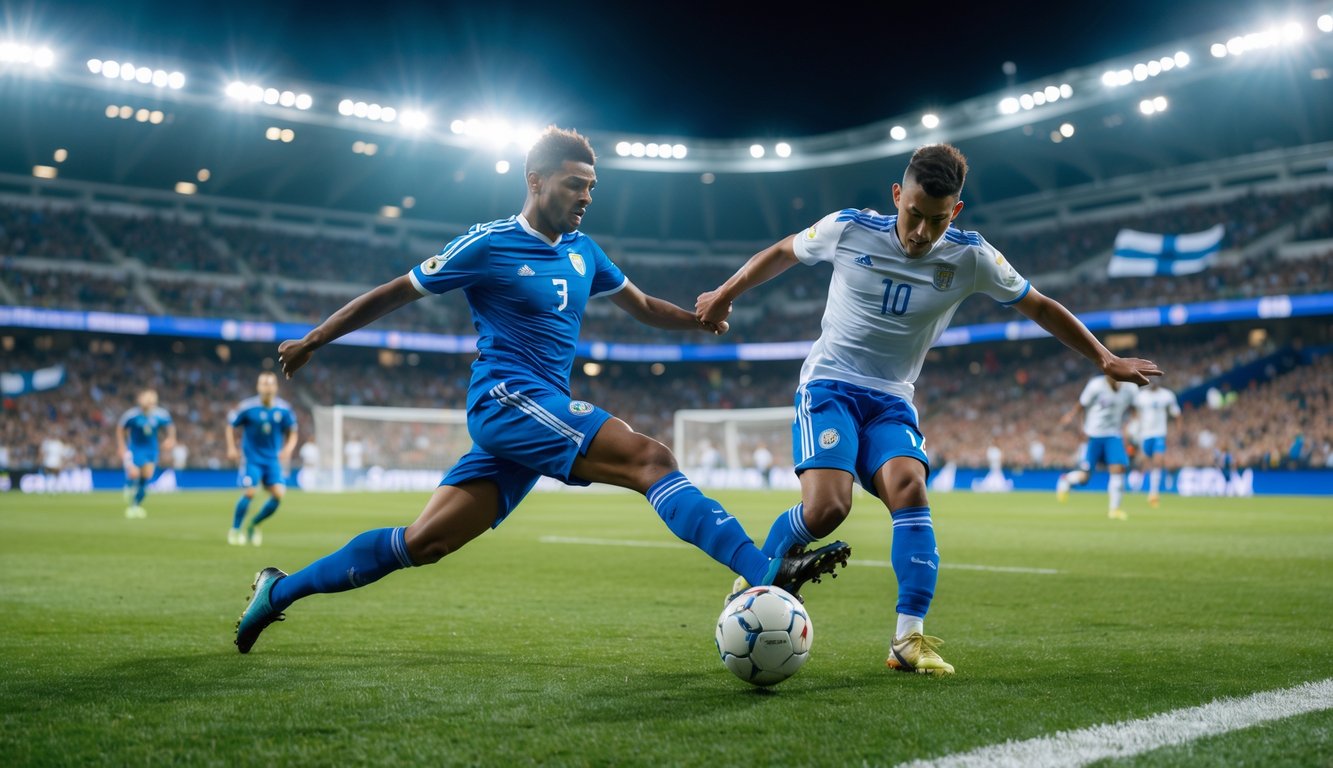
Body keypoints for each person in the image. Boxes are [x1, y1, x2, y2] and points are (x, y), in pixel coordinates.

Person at [235, 126, 850, 654]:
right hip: (506, 399)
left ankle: (277, 589)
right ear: (536, 181)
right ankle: (763, 568)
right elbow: (395, 291)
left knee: (424, 543)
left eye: (591, 187)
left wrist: (700, 315)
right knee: (651, 459)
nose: (586, 197)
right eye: (574, 184)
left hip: (535, 414)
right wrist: (315, 337)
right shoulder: (488, 243)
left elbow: (639, 306)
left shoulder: (585, 252)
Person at [695, 143, 1160, 675]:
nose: (921, 232)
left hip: (893, 398)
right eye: (914, 214)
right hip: (830, 386)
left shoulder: (971, 255)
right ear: (897, 195)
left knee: (911, 488)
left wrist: (1104, 357)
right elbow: (781, 252)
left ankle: (907, 641)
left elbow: (1040, 305)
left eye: (936, 221)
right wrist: (726, 294)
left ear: (955, 212)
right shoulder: (849, 228)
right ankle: (758, 573)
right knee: (828, 509)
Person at [226, 372, 298, 546]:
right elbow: (230, 425)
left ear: (276, 387)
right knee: (250, 492)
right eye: (264, 384)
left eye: (270, 384)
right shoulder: (247, 407)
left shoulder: (283, 409)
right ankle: (235, 530)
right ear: (258, 387)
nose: (267, 387)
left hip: (272, 460)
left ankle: (253, 525)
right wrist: (231, 448)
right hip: (252, 459)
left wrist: (288, 449)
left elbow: (293, 432)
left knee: (279, 494)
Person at [1055, 374, 1139, 519]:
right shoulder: (1095, 385)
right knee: (1085, 477)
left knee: (1118, 468)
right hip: (1094, 434)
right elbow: (1082, 405)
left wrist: (1134, 424)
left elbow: (1135, 408)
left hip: (1113, 434)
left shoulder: (1130, 389)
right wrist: (1072, 417)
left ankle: (1114, 509)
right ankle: (1066, 480)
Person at [116, 389, 175, 519]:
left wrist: (170, 439)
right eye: (148, 399)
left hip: (151, 450)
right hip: (135, 448)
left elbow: (170, 426)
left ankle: (135, 505)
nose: (150, 402)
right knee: (134, 473)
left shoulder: (160, 414)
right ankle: (129, 486)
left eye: (152, 400)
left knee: (146, 476)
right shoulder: (132, 415)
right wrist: (121, 446)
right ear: (140, 400)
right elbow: (120, 428)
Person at [1130, 379, 1180, 506]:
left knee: (1158, 461)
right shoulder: (1140, 396)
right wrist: (1133, 429)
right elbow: (1136, 414)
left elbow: (1176, 413)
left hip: (1159, 434)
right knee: (1144, 463)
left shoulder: (1167, 395)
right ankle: (1135, 486)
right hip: (1144, 434)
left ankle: (1153, 494)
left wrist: (1177, 431)